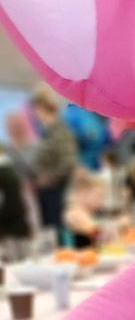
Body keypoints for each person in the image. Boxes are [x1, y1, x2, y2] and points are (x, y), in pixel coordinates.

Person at [29, 84, 78, 241]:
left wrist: (48, 178)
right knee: (50, 233)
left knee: (57, 234)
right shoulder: (46, 132)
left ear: (42, 107)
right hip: (46, 192)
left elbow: (68, 163)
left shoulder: (61, 131)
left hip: (57, 192)